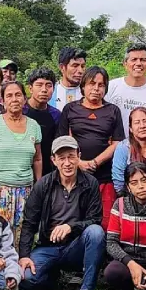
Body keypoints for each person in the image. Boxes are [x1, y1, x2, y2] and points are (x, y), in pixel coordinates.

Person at [18, 136, 106, 290]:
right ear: (54, 160)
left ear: (79, 156)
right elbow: (29, 223)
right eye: (62, 158)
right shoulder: (43, 185)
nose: (67, 163)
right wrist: (24, 256)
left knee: (96, 232)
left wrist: (70, 227)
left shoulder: (90, 183)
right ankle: (51, 277)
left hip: (76, 247)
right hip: (47, 247)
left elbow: (95, 219)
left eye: (71, 156)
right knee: (27, 279)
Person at [58, 67, 125, 227]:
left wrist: (95, 162)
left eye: (101, 85)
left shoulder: (113, 111)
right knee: (74, 221)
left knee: (105, 223)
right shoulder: (70, 109)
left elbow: (118, 143)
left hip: (104, 177)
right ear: (83, 86)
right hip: (74, 176)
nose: (96, 88)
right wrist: (78, 163)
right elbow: (62, 141)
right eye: (92, 83)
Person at [0, 81, 43, 235]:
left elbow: (37, 159)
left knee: (23, 237)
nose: (14, 99)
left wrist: (38, 184)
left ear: (24, 98)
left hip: (26, 192)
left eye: (18, 95)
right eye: (9, 95)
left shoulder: (34, 125)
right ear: (2, 100)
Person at [23, 67, 62, 175]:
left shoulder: (56, 115)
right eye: (39, 85)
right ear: (30, 88)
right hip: (22, 172)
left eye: (49, 85)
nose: (44, 90)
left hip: (48, 172)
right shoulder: (21, 111)